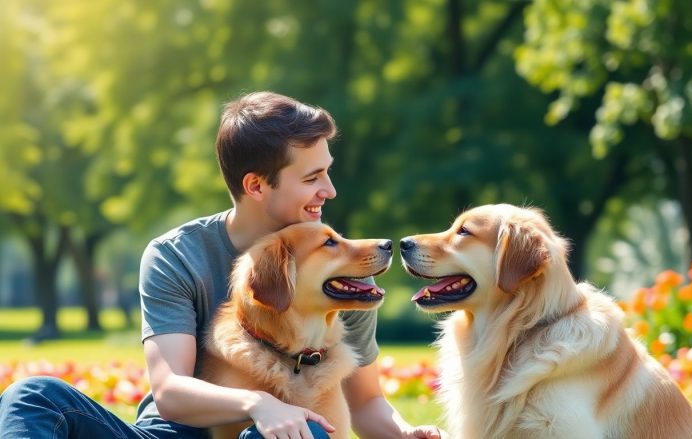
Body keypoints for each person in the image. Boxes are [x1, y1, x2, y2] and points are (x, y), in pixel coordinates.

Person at [0, 91, 443, 439]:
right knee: (33, 395)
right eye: (312, 178)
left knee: (303, 432)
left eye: (327, 172)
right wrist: (256, 403)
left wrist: (405, 433)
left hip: (281, 434)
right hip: (173, 434)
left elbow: (365, 402)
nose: (329, 190)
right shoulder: (176, 255)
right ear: (256, 186)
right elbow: (170, 392)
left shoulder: (338, 275)